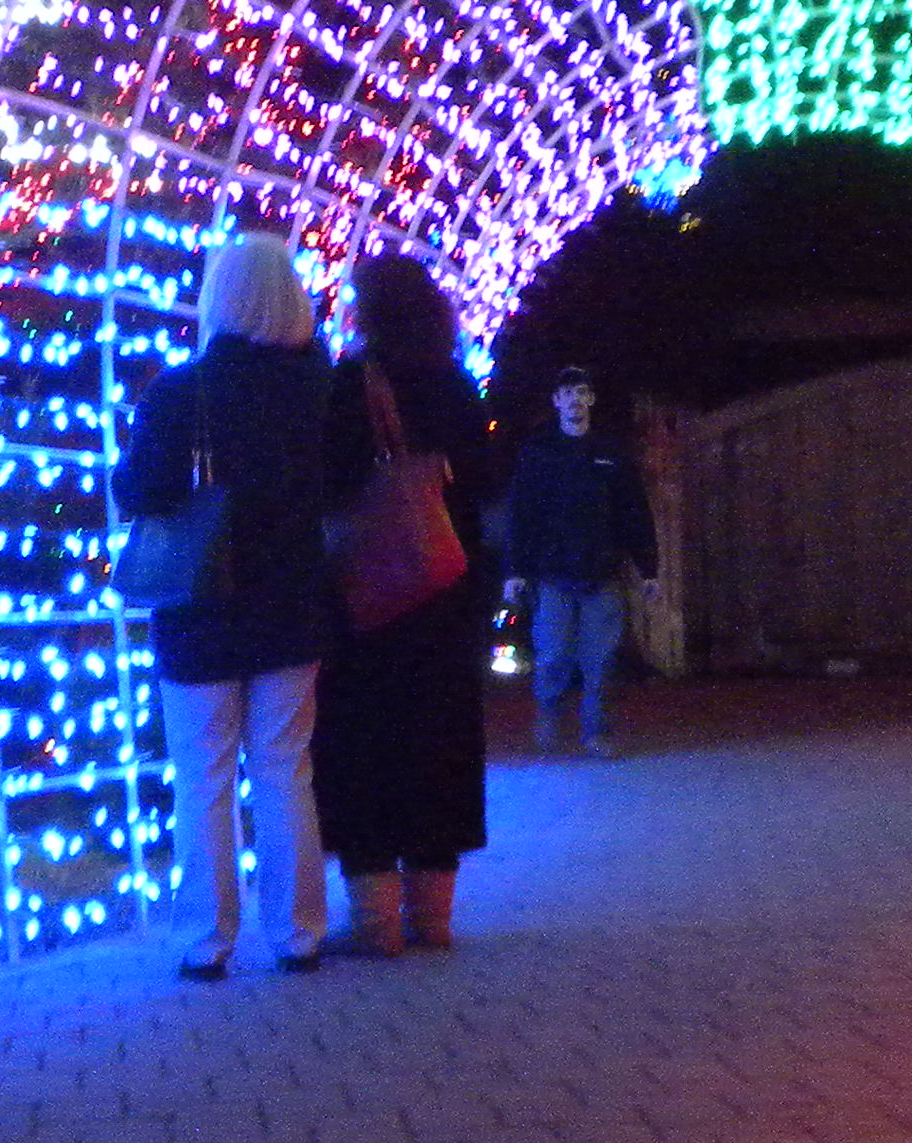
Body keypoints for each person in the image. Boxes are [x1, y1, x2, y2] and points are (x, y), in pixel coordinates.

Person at [118, 231, 359, 977]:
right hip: (293, 606)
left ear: (219, 297)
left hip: (201, 613)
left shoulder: (181, 392)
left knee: (204, 780)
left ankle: (207, 941)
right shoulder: (324, 392)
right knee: (286, 771)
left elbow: (141, 490)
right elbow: (345, 489)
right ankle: (299, 933)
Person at [316, 255, 503, 956]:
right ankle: (433, 916)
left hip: (369, 601)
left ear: (369, 311)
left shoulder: (350, 385)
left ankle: (377, 921)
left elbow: (330, 489)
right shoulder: (455, 382)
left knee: (366, 747)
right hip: (446, 589)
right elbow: (486, 481)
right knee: (440, 746)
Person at [501, 367, 656, 755]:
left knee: (601, 659)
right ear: (556, 401)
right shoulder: (539, 453)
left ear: (591, 400)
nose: (575, 400)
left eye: (582, 392)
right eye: (567, 393)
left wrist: (648, 568)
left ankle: (596, 731)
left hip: (601, 571)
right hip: (553, 572)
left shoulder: (610, 453)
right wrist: (515, 570)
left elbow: (634, 511)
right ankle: (549, 715)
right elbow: (521, 514)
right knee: (553, 653)